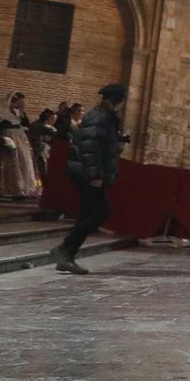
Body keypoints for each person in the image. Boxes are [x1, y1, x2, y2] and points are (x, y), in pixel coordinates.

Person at [53, 85, 126, 274]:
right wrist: (95, 175)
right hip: (88, 173)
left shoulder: (104, 117)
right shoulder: (100, 117)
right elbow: (90, 146)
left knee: (89, 213)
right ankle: (64, 249)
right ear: (116, 101)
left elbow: (101, 145)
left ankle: (67, 254)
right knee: (100, 213)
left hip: (88, 171)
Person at [27, 108, 59, 180]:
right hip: (37, 152)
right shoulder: (44, 127)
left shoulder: (35, 124)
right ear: (48, 119)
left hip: (33, 151)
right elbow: (57, 135)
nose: (54, 122)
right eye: (53, 119)